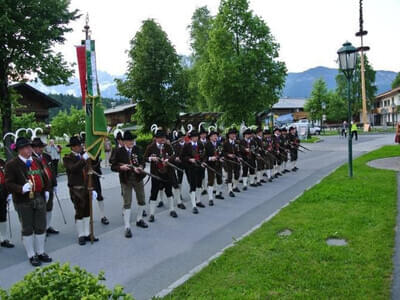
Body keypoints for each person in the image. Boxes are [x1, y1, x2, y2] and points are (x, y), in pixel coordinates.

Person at [5, 137, 52, 266]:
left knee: (40, 226)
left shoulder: (37, 161)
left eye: (29, 147)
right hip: (23, 200)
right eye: (25, 148)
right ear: (19, 150)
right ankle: (32, 255)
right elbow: (8, 184)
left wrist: (47, 189)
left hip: (39, 197)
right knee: (27, 228)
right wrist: (21, 188)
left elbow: (44, 176)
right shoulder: (11, 165)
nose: (28, 150)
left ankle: (41, 251)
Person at [111, 131, 148, 238]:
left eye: (132, 140)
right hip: (126, 179)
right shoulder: (119, 151)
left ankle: (139, 219)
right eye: (129, 140)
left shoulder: (137, 149)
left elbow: (142, 161)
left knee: (142, 199)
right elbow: (113, 166)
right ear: (124, 141)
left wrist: (140, 167)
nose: (132, 142)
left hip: (138, 178)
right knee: (127, 202)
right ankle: (127, 227)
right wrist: (121, 168)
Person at [63, 136, 99, 245]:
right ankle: (81, 234)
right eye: (78, 146)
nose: (80, 147)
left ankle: (87, 233)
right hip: (76, 189)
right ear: (73, 147)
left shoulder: (85, 156)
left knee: (88, 211)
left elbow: (93, 167)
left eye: (81, 145)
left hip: (87, 187)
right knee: (79, 211)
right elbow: (73, 169)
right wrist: (83, 159)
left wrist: (95, 154)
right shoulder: (67, 158)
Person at [144, 129, 178, 222]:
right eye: (160, 138)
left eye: (163, 137)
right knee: (154, 193)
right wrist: (151, 158)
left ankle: (172, 210)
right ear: (156, 138)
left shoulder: (168, 146)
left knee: (169, 191)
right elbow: (144, 158)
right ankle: (152, 214)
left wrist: (168, 160)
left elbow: (173, 156)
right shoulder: (150, 147)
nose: (162, 139)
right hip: (156, 173)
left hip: (167, 173)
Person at [31, 137, 59, 236]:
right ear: (33, 148)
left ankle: (47, 226)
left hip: (49, 186)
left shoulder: (47, 157)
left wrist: (55, 184)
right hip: (40, 188)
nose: (39, 149)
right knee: (40, 209)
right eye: (37, 147)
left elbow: (52, 171)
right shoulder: (31, 158)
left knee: (49, 207)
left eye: (41, 147)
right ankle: (40, 228)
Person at [181, 130, 206, 214]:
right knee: (193, 186)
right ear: (191, 138)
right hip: (191, 168)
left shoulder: (200, 144)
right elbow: (182, 157)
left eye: (196, 137)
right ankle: (194, 205)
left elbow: (204, 155)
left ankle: (198, 201)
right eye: (193, 137)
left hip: (200, 168)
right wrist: (189, 159)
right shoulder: (187, 145)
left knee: (199, 185)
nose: (195, 138)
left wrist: (203, 162)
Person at [204, 130, 224, 205]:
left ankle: (218, 193)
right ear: (210, 137)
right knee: (211, 181)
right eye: (214, 136)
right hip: (211, 165)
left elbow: (222, 153)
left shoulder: (219, 144)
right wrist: (210, 158)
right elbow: (203, 156)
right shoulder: (207, 145)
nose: (216, 137)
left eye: (216, 136)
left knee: (219, 178)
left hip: (218, 164)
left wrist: (221, 157)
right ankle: (210, 198)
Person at [223, 128, 241, 197]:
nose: (234, 135)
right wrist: (228, 155)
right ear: (229, 135)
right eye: (232, 134)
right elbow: (223, 152)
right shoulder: (225, 143)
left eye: (235, 134)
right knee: (229, 176)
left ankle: (235, 186)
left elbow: (238, 151)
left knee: (237, 174)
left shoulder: (237, 142)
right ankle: (230, 190)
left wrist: (239, 157)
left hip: (236, 160)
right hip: (228, 161)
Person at [0, 158, 14, 248]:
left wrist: (8, 192)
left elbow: (6, 178)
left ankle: (3, 239)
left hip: (2, 194)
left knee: (2, 217)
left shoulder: (1, 162)